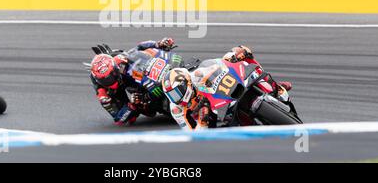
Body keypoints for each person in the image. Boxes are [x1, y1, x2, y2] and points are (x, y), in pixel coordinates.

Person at [162, 45, 292, 130]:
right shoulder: (176, 110)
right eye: (172, 95)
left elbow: (216, 65)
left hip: (222, 97)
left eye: (177, 92)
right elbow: (192, 137)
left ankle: (275, 87)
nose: (176, 98)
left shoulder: (195, 75)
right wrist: (202, 121)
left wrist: (232, 57)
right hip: (211, 123)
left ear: (187, 83)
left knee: (241, 51)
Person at [89, 37, 177, 126]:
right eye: (105, 80)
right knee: (135, 113)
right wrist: (133, 105)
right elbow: (120, 118)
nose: (109, 81)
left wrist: (158, 44)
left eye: (110, 78)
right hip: (124, 91)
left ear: (115, 69)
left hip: (140, 76)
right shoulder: (104, 95)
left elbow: (139, 47)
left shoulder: (119, 59)